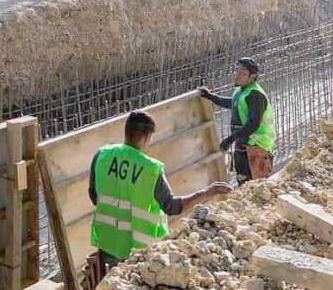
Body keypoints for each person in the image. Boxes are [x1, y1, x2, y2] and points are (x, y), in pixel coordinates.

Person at [89, 111, 232, 274]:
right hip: (137, 250)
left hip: (107, 241)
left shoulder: (102, 155)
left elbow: (94, 195)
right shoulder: (151, 169)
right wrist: (208, 192)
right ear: (146, 137)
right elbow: (172, 206)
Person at [199, 57, 276, 184]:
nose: (237, 75)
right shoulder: (241, 91)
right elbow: (233, 103)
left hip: (256, 146)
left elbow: (253, 124)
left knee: (257, 186)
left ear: (252, 76)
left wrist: (230, 139)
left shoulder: (255, 95)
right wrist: (211, 96)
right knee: (243, 181)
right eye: (237, 71)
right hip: (243, 144)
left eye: (242, 73)